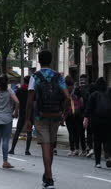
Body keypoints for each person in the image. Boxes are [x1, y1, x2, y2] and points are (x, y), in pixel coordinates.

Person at [26, 49, 71, 189]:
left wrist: (28, 119)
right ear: (51, 60)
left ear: (39, 61)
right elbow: (68, 98)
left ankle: (49, 178)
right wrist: (63, 113)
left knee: (46, 146)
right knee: (51, 146)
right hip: (56, 116)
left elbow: (29, 100)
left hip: (41, 116)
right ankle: (47, 175)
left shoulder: (35, 77)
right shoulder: (58, 76)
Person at [84, 77, 111, 168]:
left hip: (96, 121)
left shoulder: (94, 95)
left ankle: (98, 162)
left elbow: (89, 108)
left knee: (97, 141)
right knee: (108, 139)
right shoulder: (109, 94)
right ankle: (108, 157)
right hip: (108, 120)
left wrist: (86, 119)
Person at [9, 75, 33, 155]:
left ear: (24, 81)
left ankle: (12, 149)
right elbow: (35, 103)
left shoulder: (19, 90)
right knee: (29, 132)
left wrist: (14, 111)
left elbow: (15, 102)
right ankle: (27, 150)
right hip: (30, 113)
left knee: (18, 131)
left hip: (22, 113)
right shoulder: (32, 91)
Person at [64, 76, 86, 156]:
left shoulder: (65, 92)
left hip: (69, 114)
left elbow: (64, 104)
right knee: (77, 131)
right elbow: (82, 101)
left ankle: (72, 149)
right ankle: (77, 149)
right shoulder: (77, 90)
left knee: (71, 131)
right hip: (77, 113)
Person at [79, 74, 94, 157]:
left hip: (82, 114)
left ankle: (85, 149)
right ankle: (89, 147)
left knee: (82, 132)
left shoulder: (78, 89)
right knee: (89, 131)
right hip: (88, 113)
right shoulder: (91, 89)